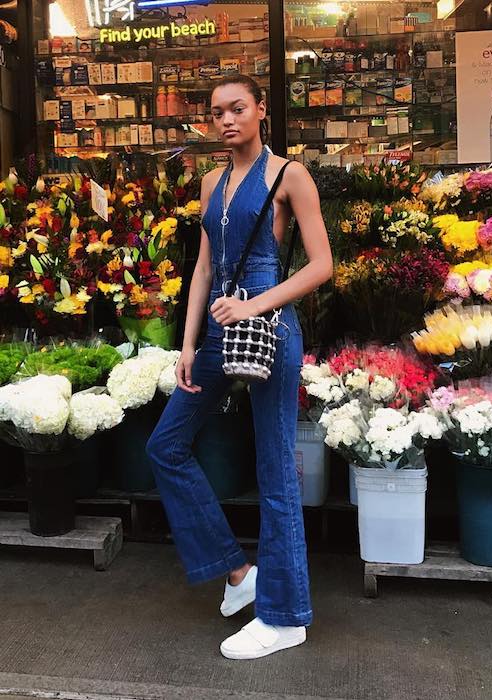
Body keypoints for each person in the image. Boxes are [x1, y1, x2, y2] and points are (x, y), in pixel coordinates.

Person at [146, 75, 332, 660]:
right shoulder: (210, 181)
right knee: (165, 445)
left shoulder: (289, 175)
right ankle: (236, 573)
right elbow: (202, 269)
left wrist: (255, 302)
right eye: (217, 112)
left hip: (267, 326)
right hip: (218, 330)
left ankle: (285, 616)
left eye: (238, 108)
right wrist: (187, 341)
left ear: (260, 112)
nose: (226, 120)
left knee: (274, 467)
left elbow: (321, 265)